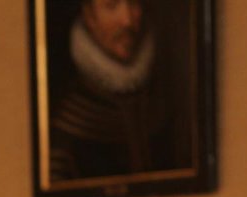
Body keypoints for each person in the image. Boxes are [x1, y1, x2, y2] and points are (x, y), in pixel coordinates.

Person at [48, 0, 191, 183]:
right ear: (89, 16)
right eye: (112, 6)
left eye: (134, 4)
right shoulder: (66, 124)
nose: (127, 21)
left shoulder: (164, 102)